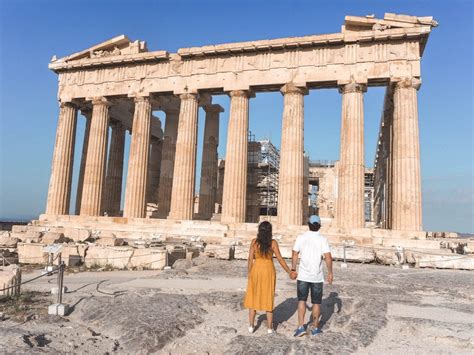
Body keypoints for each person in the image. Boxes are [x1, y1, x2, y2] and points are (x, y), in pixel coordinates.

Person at [243, 221, 293, 334]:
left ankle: (251, 326)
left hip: (256, 270)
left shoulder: (254, 242)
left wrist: (250, 273)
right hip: (268, 270)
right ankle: (270, 328)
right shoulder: (273, 243)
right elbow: (280, 259)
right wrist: (289, 271)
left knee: (253, 297)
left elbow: (250, 259)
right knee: (268, 296)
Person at [291, 215, 333, 337]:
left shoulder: (301, 237)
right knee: (316, 303)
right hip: (317, 277)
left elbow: (295, 253)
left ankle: (300, 327)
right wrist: (330, 273)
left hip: (303, 275)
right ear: (319, 226)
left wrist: (293, 269)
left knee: (301, 300)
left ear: (308, 224)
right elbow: (328, 257)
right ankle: (315, 328)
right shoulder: (322, 239)